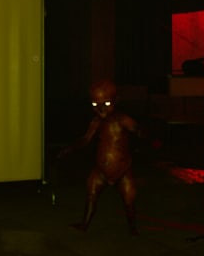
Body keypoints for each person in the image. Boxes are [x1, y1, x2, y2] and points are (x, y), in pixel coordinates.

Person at [57, 79, 145, 235]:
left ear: (116, 101)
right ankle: (84, 224)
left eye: (106, 103)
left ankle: (133, 228)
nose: (100, 109)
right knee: (91, 195)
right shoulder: (96, 122)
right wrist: (69, 148)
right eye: (95, 105)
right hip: (101, 170)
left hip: (123, 169)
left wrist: (146, 138)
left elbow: (139, 131)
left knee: (129, 201)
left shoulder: (123, 120)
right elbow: (86, 139)